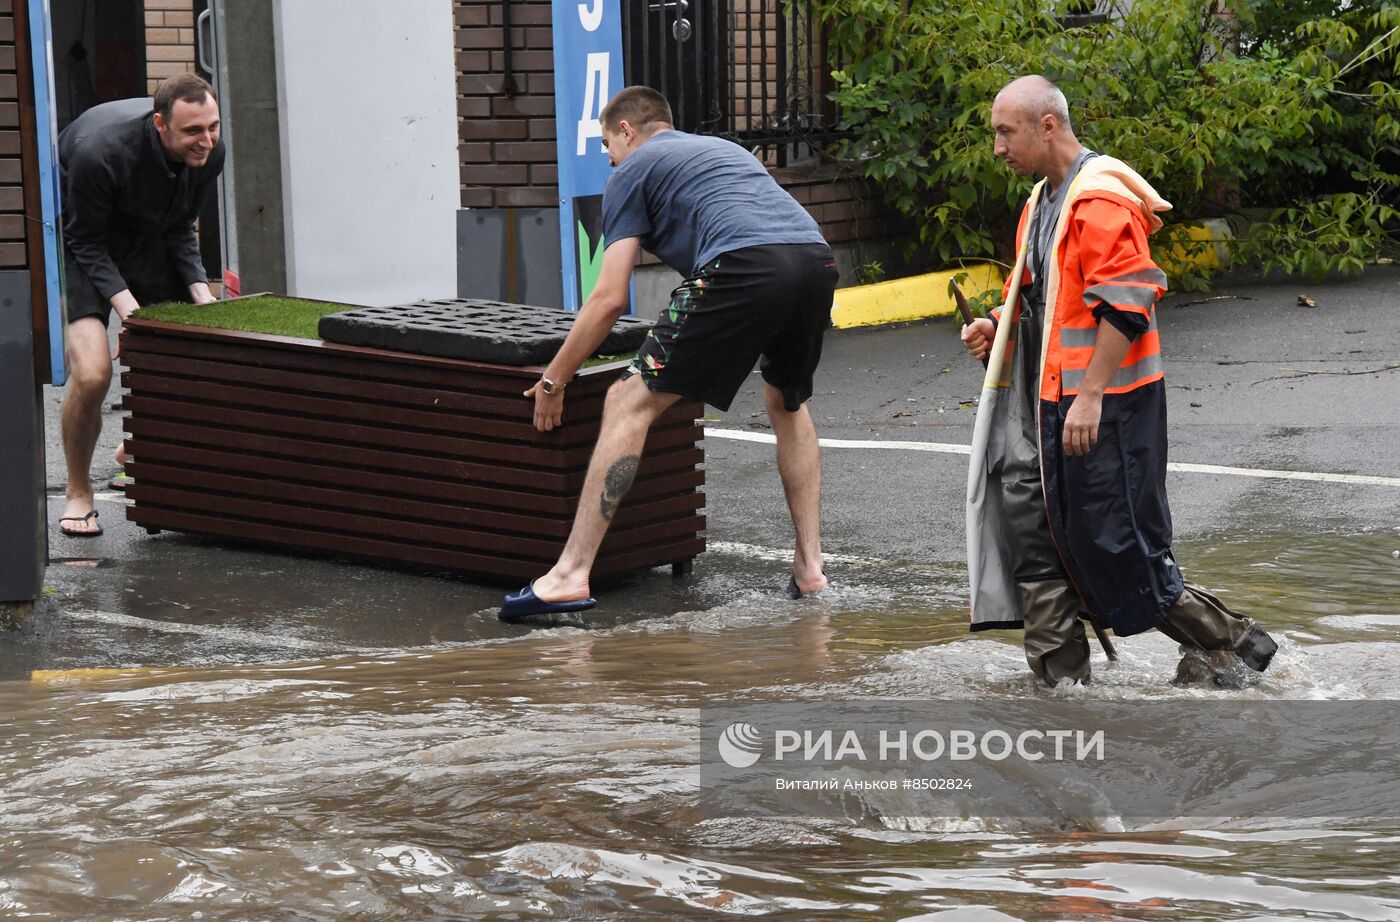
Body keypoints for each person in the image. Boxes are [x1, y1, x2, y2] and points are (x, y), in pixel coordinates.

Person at [961, 75, 1277, 687]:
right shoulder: (1040, 203)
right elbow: (1044, 303)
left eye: (1005, 131)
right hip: (1048, 411)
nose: (997, 146)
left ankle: (1240, 650)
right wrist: (996, 326)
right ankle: (1063, 700)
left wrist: (1092, 395)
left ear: (1047, 125)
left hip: (1101, 412)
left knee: (1118, 553)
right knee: (1038, 548)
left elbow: (1128, 302)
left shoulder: (1099, 200)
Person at [499, 86, 839, 621]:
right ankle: (811, 568)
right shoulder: (721, 151)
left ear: (627, 131)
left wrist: (554, 379)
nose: (608, 156)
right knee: (787, 403)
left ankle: (568, 575)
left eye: (608, 143)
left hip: (744, 265)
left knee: (627, 401)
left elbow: (609, 296)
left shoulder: (630, 172)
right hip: (816, 260)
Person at [56, 73, 225, 537]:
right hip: (77, 237)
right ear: (159, 124)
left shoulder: (209, 153)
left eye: (212, 126)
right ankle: (78, 493)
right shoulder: (100, 153)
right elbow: (85, 241)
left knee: (191, 348)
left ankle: (129, 453)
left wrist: (201, 294)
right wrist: (133, 315)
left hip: (144, 236)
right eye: (193, 131)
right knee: (92, 374)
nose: (206, 140)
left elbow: (180, 226)